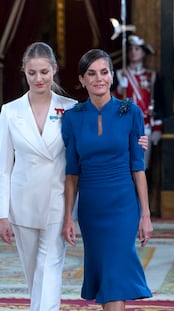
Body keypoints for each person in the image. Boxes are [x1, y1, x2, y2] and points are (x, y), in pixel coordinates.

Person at [61, 49, 152, 311]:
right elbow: (71, 172)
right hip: (91, 208)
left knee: (114, 274)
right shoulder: (72, 117)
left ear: (112, 76)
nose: (98, 78)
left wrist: (145, 214)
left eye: (104, 72)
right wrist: (69, 216)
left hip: (123, 206)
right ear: (82, 79)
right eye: (92, 73)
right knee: (104, 272)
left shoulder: (130, 112)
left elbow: (138, 167)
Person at [0, 42, 77, 311]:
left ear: (54, 70)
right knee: (35, 275)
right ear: (24, 72)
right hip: (22, 204)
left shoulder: (72, 109)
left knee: (51, 270)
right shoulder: (9, 112)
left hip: (57, 199)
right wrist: (2, 214)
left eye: (44, 72)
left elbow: (92, 146)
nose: (38, 79)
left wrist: (134, 141)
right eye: (32, 73)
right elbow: (4, 167)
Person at [113, 34, 163, 169]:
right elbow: (111, 103)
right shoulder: (119, 74)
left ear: (143, 53)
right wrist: (119, 88)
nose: (133, 52)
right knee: (124, 164)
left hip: (145, 125)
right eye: (131, 49)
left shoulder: (151, 76)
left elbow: (158, 102)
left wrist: (157, 127)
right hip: (123, 125)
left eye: (137, 49)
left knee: (142, 165)